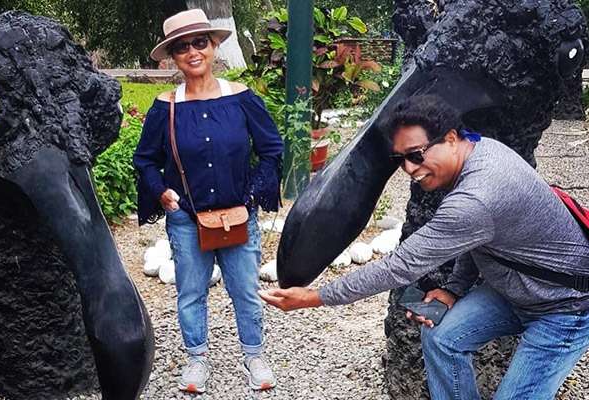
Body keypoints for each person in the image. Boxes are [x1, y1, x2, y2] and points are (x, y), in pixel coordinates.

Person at [260, 95, 589, 399]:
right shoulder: (478, 148)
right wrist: (454, 290)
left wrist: (316, 297)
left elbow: (399, 266)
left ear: (449, 138)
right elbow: (481, 239)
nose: (409, 169)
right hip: (518, 290)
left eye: (416, 155)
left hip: (564, 307)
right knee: (443, 339)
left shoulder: (477, 195)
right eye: (401, 159)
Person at [133, 9, 283, 394]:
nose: (193, 52)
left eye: (200, 42)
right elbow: (145, 160)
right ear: (173, 57)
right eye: (182, 47)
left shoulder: (242, 99)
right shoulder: (164, 107)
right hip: (186, 220)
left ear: (214, 45)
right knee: (191, 293)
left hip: (237, 216)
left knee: (246, 291)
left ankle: (254, 355)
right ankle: (196, 359)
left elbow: (271, 149)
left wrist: (252, 194)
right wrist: (161, 192)